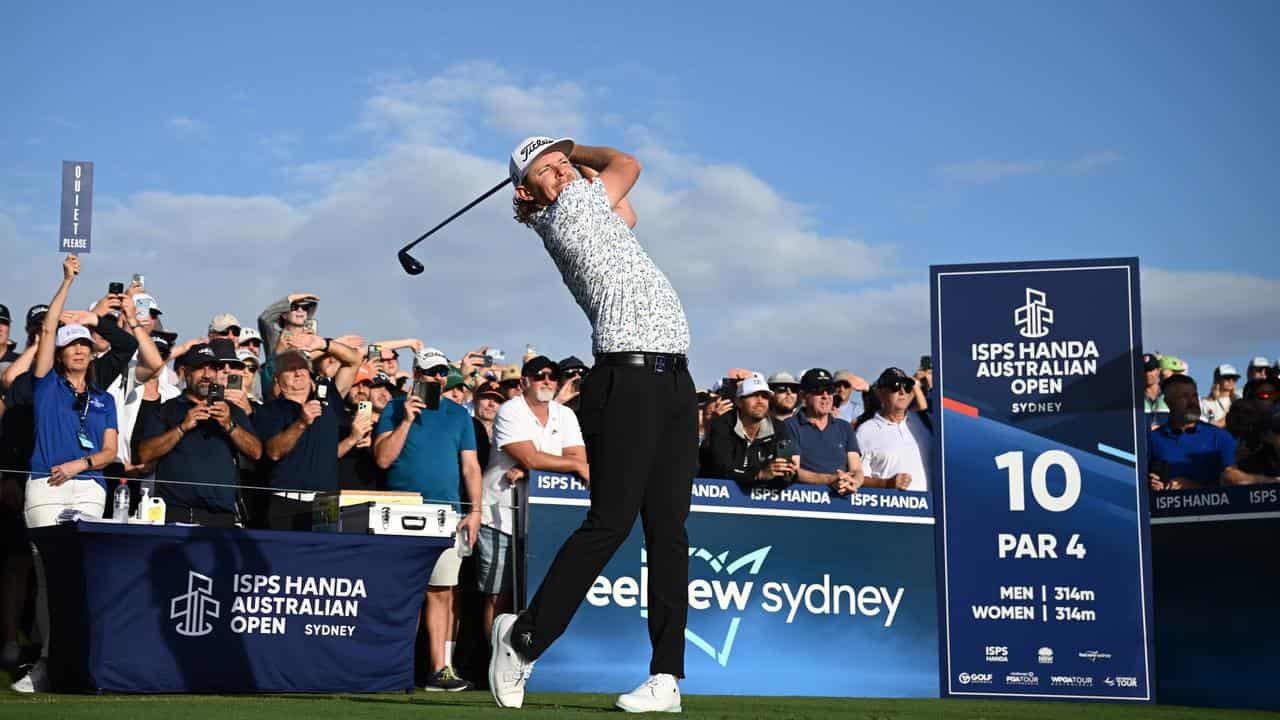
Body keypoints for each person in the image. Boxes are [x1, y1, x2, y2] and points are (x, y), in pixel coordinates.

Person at [490, 137, 695, 714]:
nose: (564, 171)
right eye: (548, 170)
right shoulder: (569, 213)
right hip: (624, 380)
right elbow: (627, 165)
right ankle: (525, 639)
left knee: (669, 532)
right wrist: (575, 144)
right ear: (529, 192)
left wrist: (561, 158)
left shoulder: (592, 209)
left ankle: (665, 678)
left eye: (564, 164)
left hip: (674, 379)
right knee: (611, 523)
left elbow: (626, 206)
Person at [14, 256, 121, 694]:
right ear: (58, 352)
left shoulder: (103, 398)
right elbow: (49, 324)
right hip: (44, 487)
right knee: (47, 576)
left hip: (89, 488)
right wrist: (67, 282)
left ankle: (83, 664)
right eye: (71, 344)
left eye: (85, 346)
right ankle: (45, 663)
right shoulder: (45, 385)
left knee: (86, 577)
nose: (79, 350)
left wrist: (82, 463)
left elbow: (111, 452)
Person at [374, 347, 483, 692]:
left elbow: (470, 466)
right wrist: (406, 419)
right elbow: (382, 459)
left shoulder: (459, 415)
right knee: (403, 593)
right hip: (401, 509)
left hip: (446, 513)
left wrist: (476, 511)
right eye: (430, 373)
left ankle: (440, 669)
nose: (437, 378)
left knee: (441, 591)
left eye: (441, 373)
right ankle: (396, 667)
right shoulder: (394, 408)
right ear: (416, 375)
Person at [478, 357, 586, 641]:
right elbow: (534, 456)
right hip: (501, 515)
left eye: (553, 376)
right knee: (499, 595)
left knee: (537, 593)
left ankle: (525, 654)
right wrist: (536, 464)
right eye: (540, 376)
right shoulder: (510, 411)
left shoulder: (565, 415)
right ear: (525, 381)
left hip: (545, 519)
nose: (548, 380)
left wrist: (530, 467)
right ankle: (492, 657)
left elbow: (578, 457)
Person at [138, 341, 261, 525]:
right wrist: (182, 427)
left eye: (212, 368)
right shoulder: (167, 410)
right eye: (199, 368)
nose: (207, 375)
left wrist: (230, 425)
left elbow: (256, 452)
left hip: (221, 516)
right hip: (174, 513)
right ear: (185, 372)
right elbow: (144, 454)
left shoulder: (233, 411)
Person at [255, 337, 361, 530]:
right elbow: (273, 452)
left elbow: (354, 360)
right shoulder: (268, 411)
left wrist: (323, 344)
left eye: (302, 367)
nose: (297, 372)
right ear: (277, 378)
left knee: (324, 557)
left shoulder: (329, 397)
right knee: (283, 558)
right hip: (285, 501)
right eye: (289, 368)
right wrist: (301, 423)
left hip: (326, 502)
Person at [699, 372, 798, 484]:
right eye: (753, 395)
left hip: (760, 498)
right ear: (739, 402)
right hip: (714, 497)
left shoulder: (780, 427)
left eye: (765, 396)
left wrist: (787, 474)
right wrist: (759, 474)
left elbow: (789, 470)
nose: (760, 401)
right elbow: (721, 469)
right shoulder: (722, 424)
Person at [1148, 374, 1237, 490]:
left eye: (1194, 396)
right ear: (1168, 401)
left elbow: (1234, 488)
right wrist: (1150, 484)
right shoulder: (1152, 440)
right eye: (1184, 397)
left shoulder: (1220, 437)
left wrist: (1193, 488)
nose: (1192, 402)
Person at [784, 368, 864, 496]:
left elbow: (857, 469)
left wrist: (853, 483)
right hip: (804, 501)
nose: (826, 396)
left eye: (830, 391)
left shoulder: (845, 428)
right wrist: (830, 479)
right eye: (818, 391)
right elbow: (791, 470)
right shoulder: (788, 426)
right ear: (804, 395)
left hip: (842, 499)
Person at [856, 368, 932, 492]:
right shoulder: (865, 431)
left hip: (931, 509)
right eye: (895, 386)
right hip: (892, 509)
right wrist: (887, 483)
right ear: (880, 393)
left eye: (907, 386)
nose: (902, 391)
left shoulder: (924, 421)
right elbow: (858, 478)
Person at [1141, 353, 1168, 430]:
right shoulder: (1134, 398)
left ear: (1158, 371)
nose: (1147, 374)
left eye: (1151, 369)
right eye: (1144, 370)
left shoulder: (1170, 394)